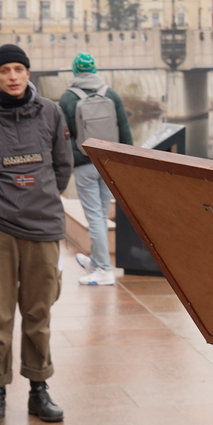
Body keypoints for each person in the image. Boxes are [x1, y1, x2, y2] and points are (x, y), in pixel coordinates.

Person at [0, 44, 72, 425]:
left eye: (18, 69)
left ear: (27, 73)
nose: (11, 76)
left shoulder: (52, 113)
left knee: (39, 312)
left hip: (43, 226)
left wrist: (39, 197)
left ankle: (39, 389)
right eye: (4, 69)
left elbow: (62, 166)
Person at [58, 52, 133, 286]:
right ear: (94, 70)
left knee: (95, 217)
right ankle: (96, 261)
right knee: (99, 215)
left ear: (75, 71)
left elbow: (64, 135)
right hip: (108, 164)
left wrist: (74, 156)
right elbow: (125, 132)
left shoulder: (68, 98)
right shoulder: (110, 94)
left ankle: (103, 269)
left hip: (84, 164)